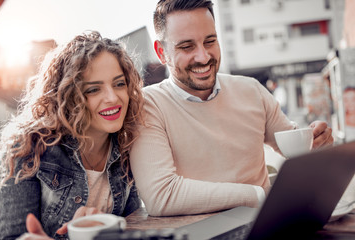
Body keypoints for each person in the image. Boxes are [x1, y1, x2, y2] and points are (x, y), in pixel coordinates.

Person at [129, 0, 334, 217]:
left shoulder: (251, 90)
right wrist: (258, 195)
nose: (203, 56)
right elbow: (162, 196)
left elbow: (294, 148)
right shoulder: (147, 105)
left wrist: (317, 144)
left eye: (210, 41)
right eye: (187, 46)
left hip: (267, 226)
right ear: (161, 52)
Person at [0, 31, 144, 239]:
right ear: (67, 96)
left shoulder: (129, 145)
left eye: (119, 84)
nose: (112, 98)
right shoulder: (26, 147)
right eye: (93, 90)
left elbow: (133, 227)